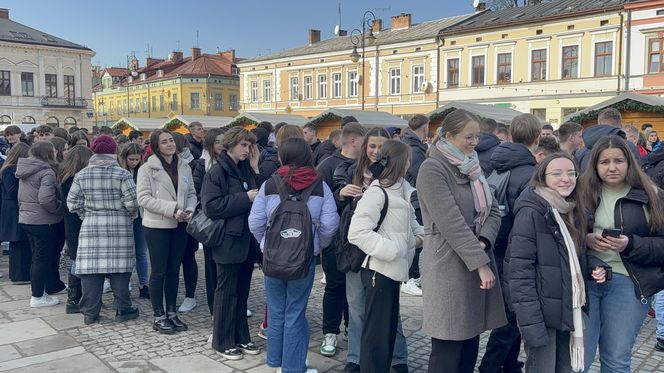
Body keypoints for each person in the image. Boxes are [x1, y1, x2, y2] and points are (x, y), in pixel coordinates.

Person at [417, 109, 506, 373]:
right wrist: (481, 262)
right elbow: (450, 223)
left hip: (475, 255)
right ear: (448, 136)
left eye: (477, 137)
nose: (474, 142)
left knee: (470, 344)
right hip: (449, 266)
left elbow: (493, 210)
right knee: (448, 349)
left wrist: (483, 241)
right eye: (469, 137)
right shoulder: (432, 168)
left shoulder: (473, 167)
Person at [249, 137, 339, 373]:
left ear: (283, 157)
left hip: (272, 258)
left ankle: (276, 362)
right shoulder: (319, 185)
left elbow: (255, 222)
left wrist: (266, 244)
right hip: (304, 259)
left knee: (276, 311)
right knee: (295, 312)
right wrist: (316, 246)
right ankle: (293, 368)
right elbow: (330, 225)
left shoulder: (269, 184)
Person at [507, 153, 600, 373]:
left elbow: (572, 256)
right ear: (543, 177)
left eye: (571, 173)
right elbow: (519, 271)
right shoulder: (532, 211)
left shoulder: (571, 209)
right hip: (541, 314)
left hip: (565, 307)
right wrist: (531, 323)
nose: (566, 179)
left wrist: (596, 265)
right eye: (557, 174)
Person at [578, 135, 664, 372]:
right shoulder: (579, 191)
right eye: (604, 162)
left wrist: (630, 244)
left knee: (616, 357)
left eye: (618, 160)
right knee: (579, 359)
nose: (612, 167)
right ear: (595, 164)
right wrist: (585, 240)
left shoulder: (652, 195)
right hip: (585, 281)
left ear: (630, 162)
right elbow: (562, 237)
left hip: (629, 283)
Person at [334, 127, 410, 373]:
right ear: (364, 147)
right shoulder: (350, 171)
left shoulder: (396, 182)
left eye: (381, 147)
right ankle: (356, 357)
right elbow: (344, 217)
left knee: (386, 311)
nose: (376, 152)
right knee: (356, 306)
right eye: (372, 146)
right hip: (355, 251)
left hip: (380, 256)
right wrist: (342, 194)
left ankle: (397, 358)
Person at [348, 140, 424, 373]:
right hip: (378, 271)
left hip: (393, 271)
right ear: (402, 161)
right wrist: (393, 250)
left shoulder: (401, 189)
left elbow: (411, 227)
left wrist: (423, 239)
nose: (411, 162)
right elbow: (357, 232)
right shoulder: (377, 192)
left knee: (387, 331)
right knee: (376, 336)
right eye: (408, 158)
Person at [482, 114, 541, 373]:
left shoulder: (497, 163)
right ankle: (490, 366)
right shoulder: (530, 172)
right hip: (518, 252)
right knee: (511, 316)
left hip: (498, 245)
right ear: (538, 138)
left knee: (512, 312)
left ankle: (508, 363)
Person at [201, 127, 261, 360]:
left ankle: (241, 336)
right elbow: (211, 207)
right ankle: (222, 340)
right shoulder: (217, 171)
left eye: (250, 145)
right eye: (243, 145)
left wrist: (255, 169)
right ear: (231, 145)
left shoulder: (246, 169)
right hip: (227, 240)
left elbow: (261, 195)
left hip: (246, 240)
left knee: (242, 291)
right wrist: (244, 198)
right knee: (226, 292)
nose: (247, 150)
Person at [67, 136, 140, 325]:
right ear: (114, 153)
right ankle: (123, 309)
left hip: (91, 225)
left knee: (91, 270)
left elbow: (72, 203)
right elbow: (133, 203)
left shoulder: (82, 175)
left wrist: (87, 214)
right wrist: (127, 215)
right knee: (120, 269)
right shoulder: (123, 174)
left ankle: (90, 313)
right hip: (119, 225)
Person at [314, 122, 365, 361]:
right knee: (335, 287)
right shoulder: (327, 165)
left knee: (356, 291)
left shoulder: (367, 167)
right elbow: (317, 203)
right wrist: (339, 195)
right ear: (354, 141)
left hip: (361, 239)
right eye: (365, 142)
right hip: (335, 240)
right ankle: (330, 332)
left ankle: (352, 331)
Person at [137, 130, 197, 334]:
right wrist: (172, 209)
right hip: (157, 226)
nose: (170, 144)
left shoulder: (184, 166)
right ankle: (158, 314)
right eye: (164, 142)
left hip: (180, 224)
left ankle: (172, 310)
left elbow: (191, 193)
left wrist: (189, 209)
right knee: (159, 271)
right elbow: (143, 199)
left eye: (171, 140)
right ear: (156, 146)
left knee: (174, 270)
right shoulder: (147, 169)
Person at [16, 141, 66, 307]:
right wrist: (59, 209)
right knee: (41, 258)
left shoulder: (25, 169)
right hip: (43, 221)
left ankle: (52, 286)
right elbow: (45, 199)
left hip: (27, 219)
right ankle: (37, 296)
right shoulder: (46, 172)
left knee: (39, 257)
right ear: (47, 153)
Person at [192, 127, 227, 315]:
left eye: (224, 141)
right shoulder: (202, 164)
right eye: (218, 142)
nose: (221, 145)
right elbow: (196, 192)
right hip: (211, 223)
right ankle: (214, 307)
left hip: (228, 221)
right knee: (211, 264)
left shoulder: (234, 163)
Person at [58, 145, 93, 313]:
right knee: (80, 262)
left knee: (75, 260)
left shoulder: (64, 177)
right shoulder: (78, 179)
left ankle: (74, 297)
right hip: (80, 224)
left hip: (69, 225)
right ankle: (76, 298)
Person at [402, 114, 430, 296]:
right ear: (425, 128)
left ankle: (413, 276)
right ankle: (409, 278)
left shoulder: (411, 144)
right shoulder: (415, 149)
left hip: (412, 197)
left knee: (416, 236)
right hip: (415, 198)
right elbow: (422, 175)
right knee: (416, 238)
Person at [171, 132, 199, 313]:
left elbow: (193, 191)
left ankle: (190, 296)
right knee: (172, 261)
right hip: (169, 217)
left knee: (188, 258)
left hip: (187, 218)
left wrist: (188, 209)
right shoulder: (162, 165)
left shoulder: (192, 164)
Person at [118, 143, 150, 299]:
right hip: (123, 216)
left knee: (141, 253)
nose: (134, 162)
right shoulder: (119, 171)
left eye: (137, 159)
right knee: (124, 253)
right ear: (124, 158)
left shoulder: (143, 171)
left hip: (140, 216)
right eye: (131, 159)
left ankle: (144, 284)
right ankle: (124, 285)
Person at [0, 143, 30, 283]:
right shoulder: (9, 170)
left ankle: (19, 274)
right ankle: (19, 275)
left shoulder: (9, 169)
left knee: (19, 241)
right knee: (17, 240)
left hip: (12, 207)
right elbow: (11, 190)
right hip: (12, 208)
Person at [575, 108, 640, 171]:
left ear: (599, 123)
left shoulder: (582, 152)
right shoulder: (630, 147)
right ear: (621, 125)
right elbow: (636, 175)